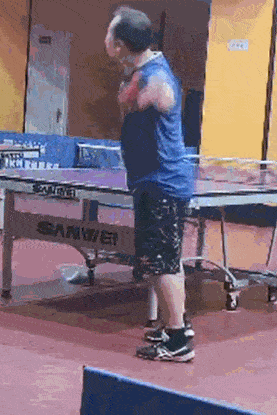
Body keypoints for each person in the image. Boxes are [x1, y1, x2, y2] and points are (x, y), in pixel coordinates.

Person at [104, 5, 195, 362]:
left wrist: (134, 85)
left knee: (162, 263)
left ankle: (177, 341)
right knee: (163, 260)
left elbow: (141, 99)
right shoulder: (142, 71)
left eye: (110, 34)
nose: (105, 39)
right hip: (151, 182)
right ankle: (177, 324)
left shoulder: (153, 77)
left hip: (162, 184)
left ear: (121, 44)